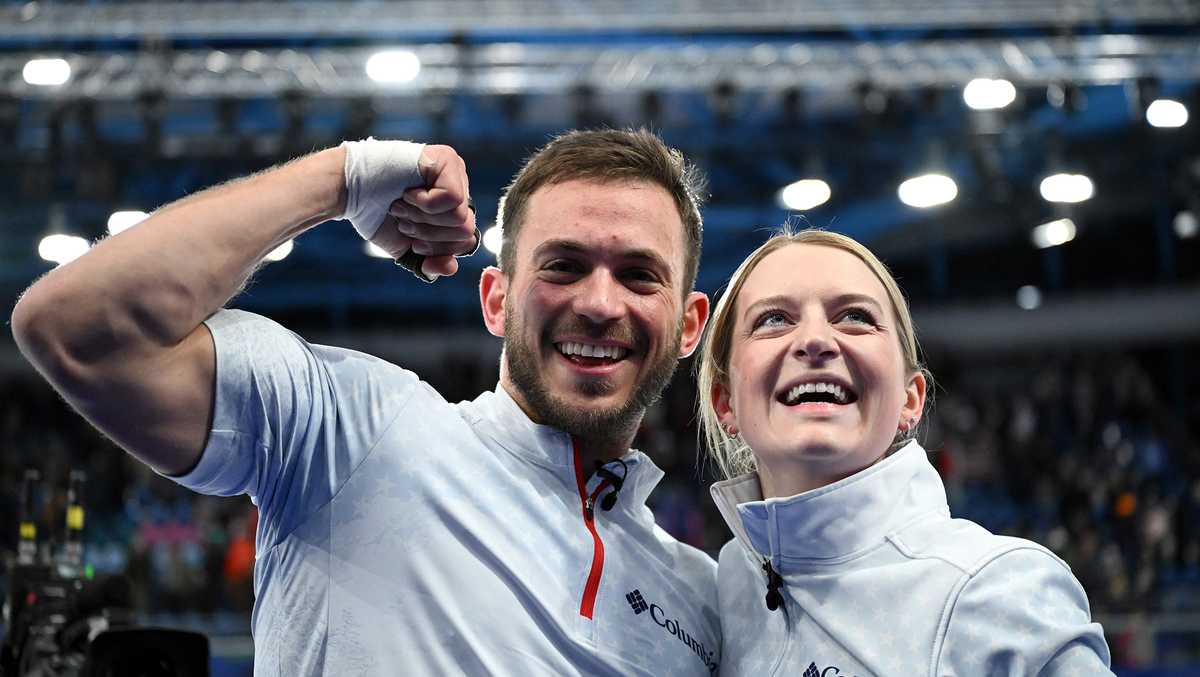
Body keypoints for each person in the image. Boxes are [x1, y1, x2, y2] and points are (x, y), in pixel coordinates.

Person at [11, 129, 721, 675]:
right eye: (563, 266)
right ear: (496, 300)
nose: (600, 304)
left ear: (689, 325)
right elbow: (76, 329)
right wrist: (343, 176)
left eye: (639, 275)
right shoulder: (353, 430)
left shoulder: (703, 603)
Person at [695, 227, 1113, 676]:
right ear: (726, 402)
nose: (814, 340)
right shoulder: (718, 593)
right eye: (773, 319)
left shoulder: (1000, 593)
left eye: (854, 316)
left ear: (909, 399)